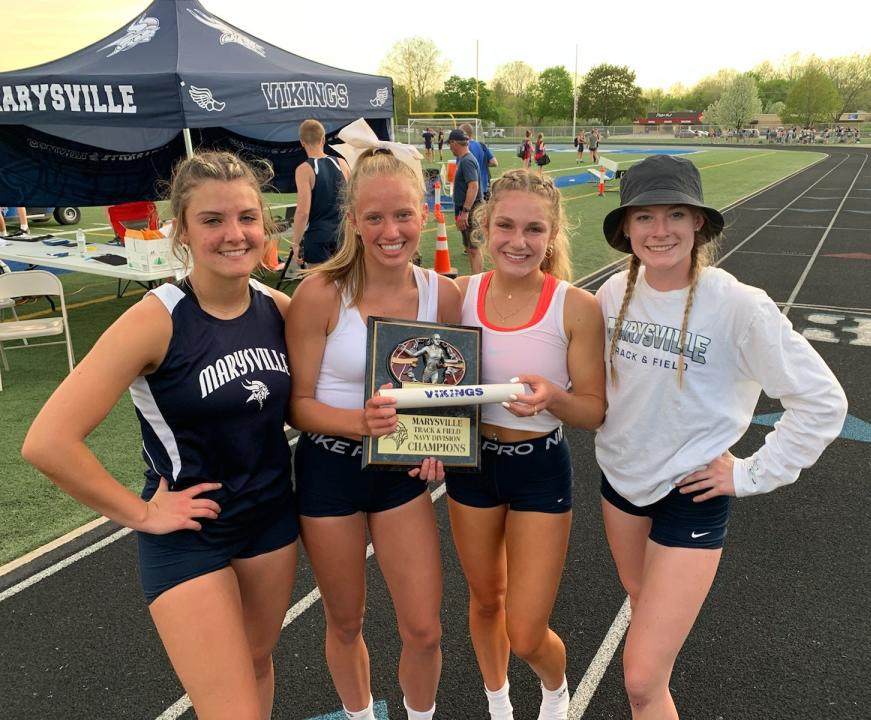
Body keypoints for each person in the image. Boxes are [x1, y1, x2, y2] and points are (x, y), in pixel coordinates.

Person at [22, 151, 300, 720]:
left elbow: (330, 394)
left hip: (270, 519)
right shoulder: (157, 318)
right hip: (190, 533)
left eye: (247, 218)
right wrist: (141, 515)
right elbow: (48, 441)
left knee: (257, 664)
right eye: (213, 220)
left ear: (265, 227)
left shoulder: (279, 308)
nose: (234, 234)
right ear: (181, 233)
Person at [594, 154, 847, 719]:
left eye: (675, 214)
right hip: (620, 486)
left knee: (638, 679)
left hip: (692, 495)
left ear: (699, 223)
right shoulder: (612, 295)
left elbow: (823, 401)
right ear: (627, 228)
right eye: (644, 217)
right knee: (646, 634)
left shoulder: (739, 306)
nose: (660, 231)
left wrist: (753, 473)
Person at [286, 145, 461, 720]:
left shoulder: (444, 295)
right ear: (354, 222)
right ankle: (360, 715)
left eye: (403, 215)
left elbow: (452, 394)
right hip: (329, 471)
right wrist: (357, 422)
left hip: (400, 473)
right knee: (345, 620)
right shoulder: (319, 294)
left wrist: (443, 447)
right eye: (375, 218)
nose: (392, 231)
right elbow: (298, 406)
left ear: (425, 214)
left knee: (424, 628)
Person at [445, 169, 606, 720]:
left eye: (534, 229)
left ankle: (555, 693)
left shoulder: (576, 306)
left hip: (538, 468)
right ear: (484, 228)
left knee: (527, 629)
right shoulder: (457, 296)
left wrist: (553, 399)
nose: (518, 241)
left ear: (553, 234)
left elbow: (593, 409)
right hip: (470, 466)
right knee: (485, 600)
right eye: (506, 226)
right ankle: (498, 704)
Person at [291, 119, 350, 268]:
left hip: (319, 237)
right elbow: (352, 200)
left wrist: (296, 243)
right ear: (323, 139)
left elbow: (303, 212)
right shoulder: (341, 163)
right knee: (347, 287)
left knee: (319, 288)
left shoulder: (304, 169)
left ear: (302, 142)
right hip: (344, 235)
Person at [449, 128, 483, 275]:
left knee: (474, 248)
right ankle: (476, 278)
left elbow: (473, 186)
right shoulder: (465, 160)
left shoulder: (467, 161)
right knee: (470, 247)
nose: (449, 147)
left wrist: (465, 212)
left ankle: (477, 280)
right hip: (468, 209)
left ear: (455, 143)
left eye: (450, 144)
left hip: (471, 209)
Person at [459, 122, 499, 200]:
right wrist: (482, 163)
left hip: (470, 190)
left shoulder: (463, 148)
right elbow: (494, 163)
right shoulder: (482, 145)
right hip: (484, 188)